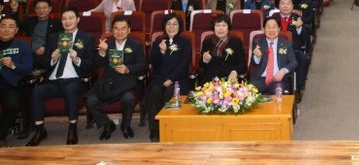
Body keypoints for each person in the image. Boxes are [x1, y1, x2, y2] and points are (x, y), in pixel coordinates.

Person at [27, 7, 95, 146]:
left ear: (78, 20)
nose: (67, 21)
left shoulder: (86, 38)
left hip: (75, 80)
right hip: (54, 80)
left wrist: (77, 59)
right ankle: (40, 130)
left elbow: (91, 64)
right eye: (64, 19)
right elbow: (42, 62)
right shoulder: (53, 38)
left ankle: (72, 128)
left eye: (71, 18)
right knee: (37, 91)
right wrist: (52, 59)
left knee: (70, 89)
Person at [87, 16, 146, 140]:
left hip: (126, 83)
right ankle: (107, 124)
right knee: (91, 100)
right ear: (112, 30)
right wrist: (102, 52)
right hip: (108, 82)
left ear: (129, 30)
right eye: (116, 28)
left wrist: (127, 68)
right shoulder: (107, 44)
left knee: (129, 98)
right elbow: (97, 64)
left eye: (123, 28)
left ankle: (126, 125)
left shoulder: (136, 44)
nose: (119, 32)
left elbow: (142, 64)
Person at [146, 13, 192, 142]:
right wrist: (161, 52)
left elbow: (184, 65)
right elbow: (153, 62)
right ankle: (155, 130)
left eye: (175, 24)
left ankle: (171, 128)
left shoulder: (185, 42)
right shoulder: (158, 41)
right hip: (159, 78)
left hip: (178, 79)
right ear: (164, 26)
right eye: (168, 24)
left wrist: (170, 79)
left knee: (170, 93)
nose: (171, 27)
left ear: (180, 26)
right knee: (155, 91)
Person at [0, 15, 33, 147]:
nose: (6, 29)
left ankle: (1, 135)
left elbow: (28, 69)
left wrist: (13, 65)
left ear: (16, 30)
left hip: (9, 85)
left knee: (12, 105)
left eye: (10, 27)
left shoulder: (23, 46)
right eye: (3, 26)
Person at [9, 0, 62, 69]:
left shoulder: (57, 22)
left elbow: (60, 40)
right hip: (29, 52)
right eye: (38, 8)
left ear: (50, 9)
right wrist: (15, 10)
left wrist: (46, 49)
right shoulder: (30, 20)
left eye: (44, 8)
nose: (41, 10)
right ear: (34, 10)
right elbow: (15, 25)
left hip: (47, 54)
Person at [249, 17, 298, 94]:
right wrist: (257, 57)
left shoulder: (286, 44)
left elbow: (294, 62)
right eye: (268, 27)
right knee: (248, 92)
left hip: (278, 79)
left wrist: (283, 71)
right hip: (260, 79)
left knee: (278, 92)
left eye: (274, 27)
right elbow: (254, 63)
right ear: (264, 29)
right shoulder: (258, 42)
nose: (271, 30)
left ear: (279, 29)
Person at [198, 15, 246, 85]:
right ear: (213, 28)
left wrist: (234, 72)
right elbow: (201, 66)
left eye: (224, 25)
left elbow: (242, 64)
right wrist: (205, 60)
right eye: (217, 25)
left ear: (228, 28)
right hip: (209, 80)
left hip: (229, 79)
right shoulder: (207, 42)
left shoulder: (236, 42)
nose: (220, 28)